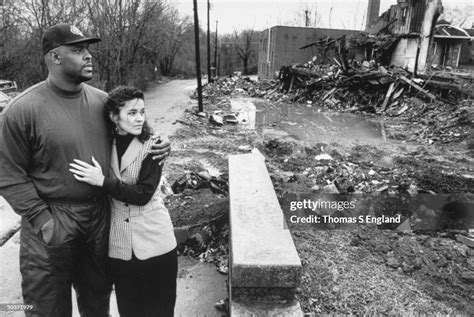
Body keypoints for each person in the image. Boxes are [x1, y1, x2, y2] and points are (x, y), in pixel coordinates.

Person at [0, 23, 170, 317]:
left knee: (97, 302)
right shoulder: (21, 110)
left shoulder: (102, 102)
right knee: (45, 307)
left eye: (87, 49)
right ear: (54, 57)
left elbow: (134, 131)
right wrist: (43, 220)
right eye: (78, 50)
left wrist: (159, 143)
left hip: (98, 218)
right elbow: (7, 173)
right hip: (52, 220)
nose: (88, 55)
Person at [69, 86, 177, 317]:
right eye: (131, 113)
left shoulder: (153, 144)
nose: (139, 118)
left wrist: (103, 181)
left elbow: (142, 194)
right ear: (113, 116)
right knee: (129, 310)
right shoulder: (104, 144)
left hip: (155, 240)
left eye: (142, 112)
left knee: (160, 310)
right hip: (120, 245)